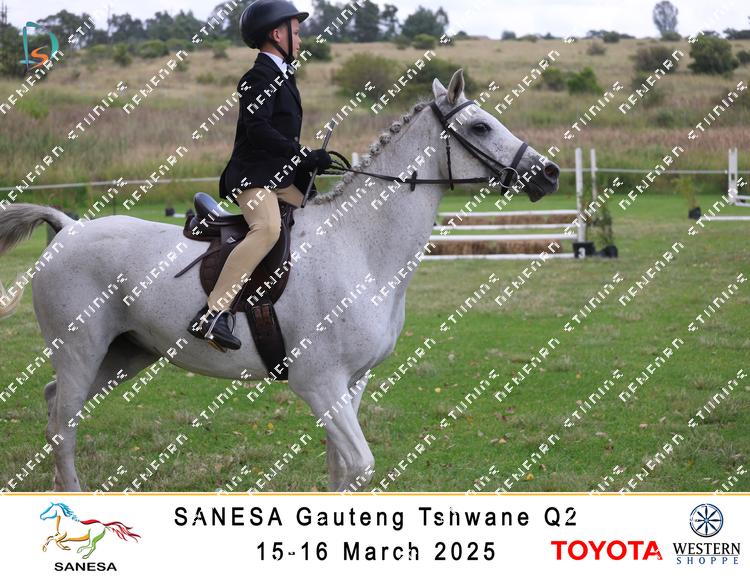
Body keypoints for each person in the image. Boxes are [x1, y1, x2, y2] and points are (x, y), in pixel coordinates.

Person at [188, 0, 333, 351]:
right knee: (267, 228)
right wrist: (301, 154)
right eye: (296, 32)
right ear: (276, 34)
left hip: (280, 178)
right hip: (252, 177)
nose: (300, 39)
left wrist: (308, 163)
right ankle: (213, 314)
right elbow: (258, 129)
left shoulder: (284, 74)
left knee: (322, 214)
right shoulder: (258, 77)